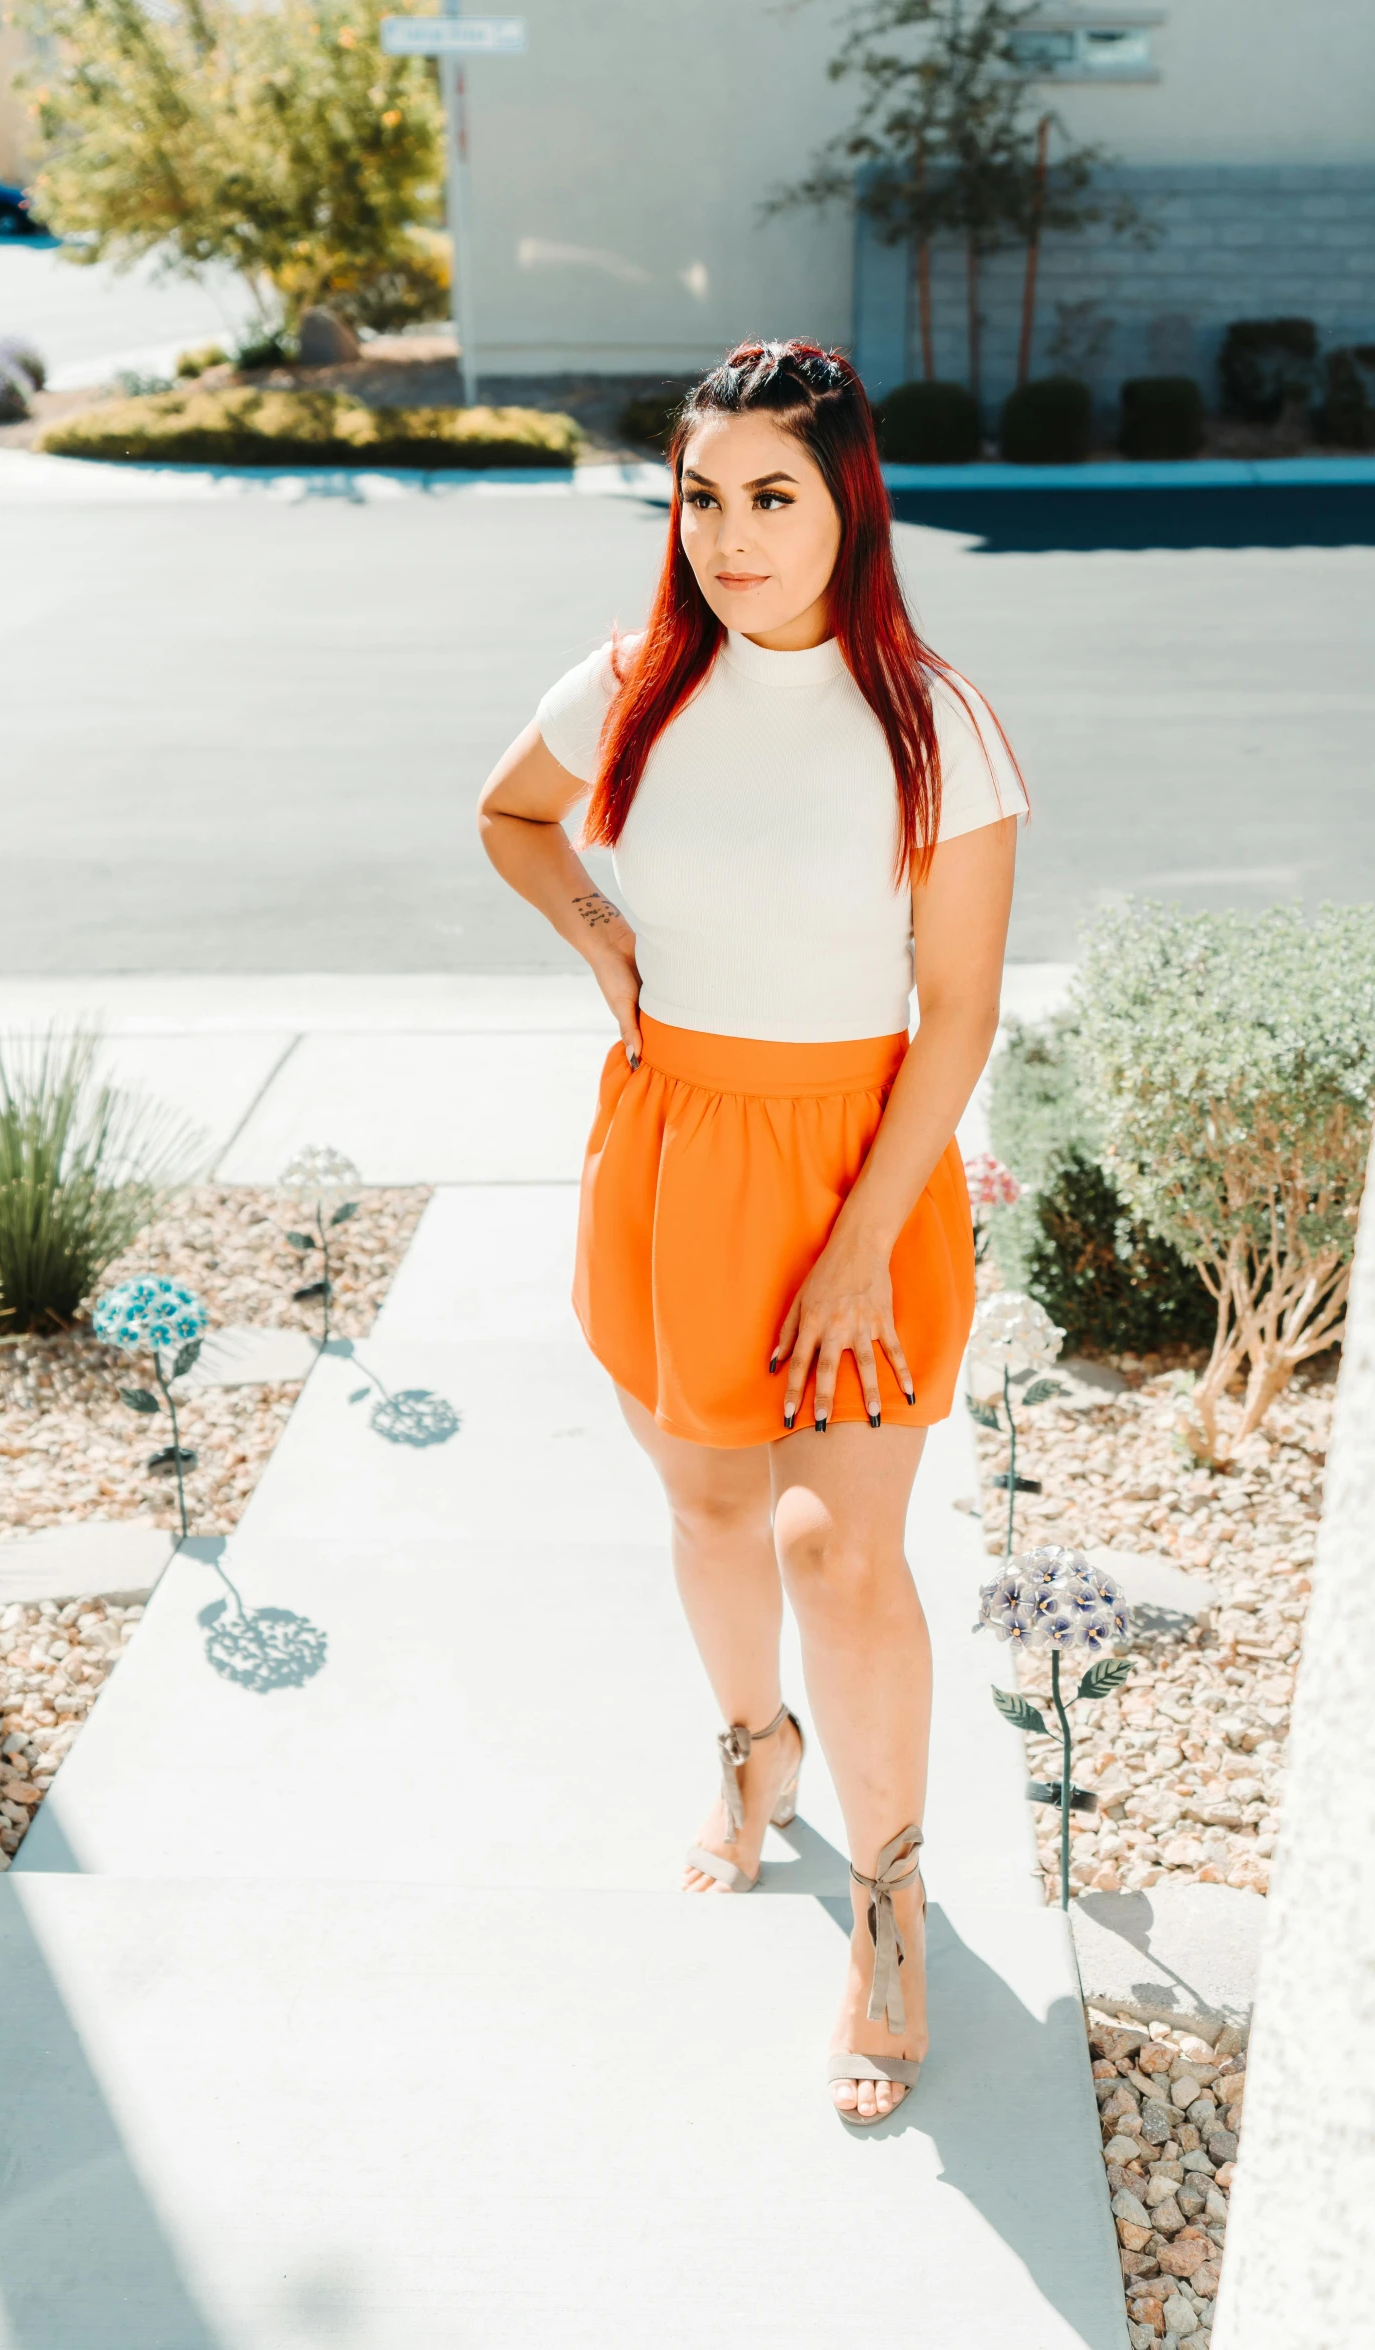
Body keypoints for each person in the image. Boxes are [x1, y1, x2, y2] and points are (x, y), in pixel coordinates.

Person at [478, 338, 1023, 2125]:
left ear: (845, 501)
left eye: (768, 496)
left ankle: (889, 1895)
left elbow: (956, 1011)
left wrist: (868, 1235)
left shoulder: (933, 726)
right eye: (699, 497)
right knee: (708, 1498)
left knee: (832, 1550)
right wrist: (598, 936)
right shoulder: (634, 677)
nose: (727, 533)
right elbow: (507, 814)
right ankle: (750, 1753)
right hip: (672, 1145)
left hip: (858, 1163)